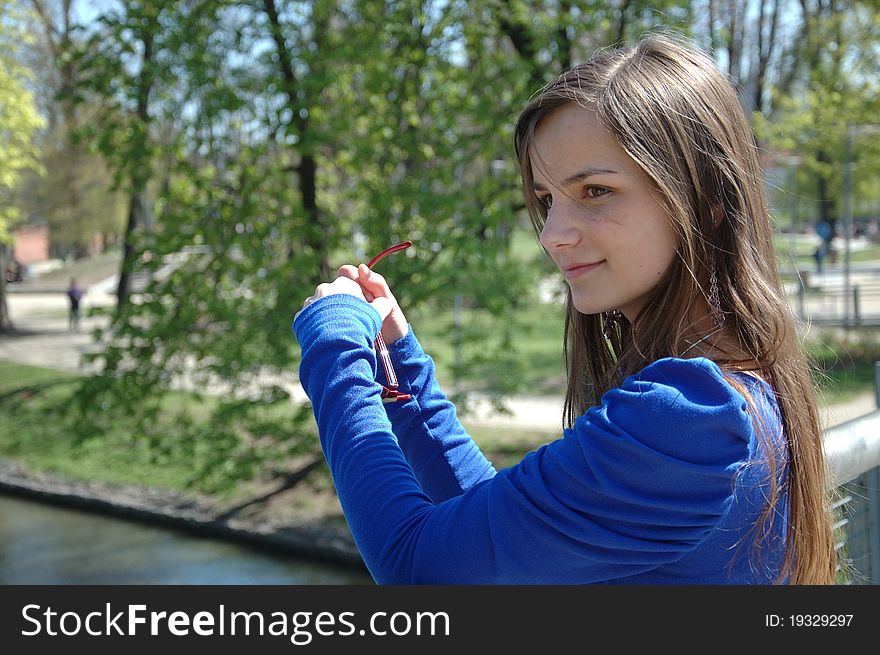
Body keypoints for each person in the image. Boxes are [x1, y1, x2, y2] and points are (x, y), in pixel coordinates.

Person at [293, 34, 837, 584]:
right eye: (547, 200)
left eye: (596, 191)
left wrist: (333, 343)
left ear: (708, 201)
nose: (553, 235)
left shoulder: (687, 419)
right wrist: (400, 367)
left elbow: (420, 570)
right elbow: (496, 541)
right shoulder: (737, 394)